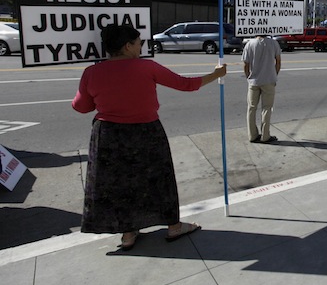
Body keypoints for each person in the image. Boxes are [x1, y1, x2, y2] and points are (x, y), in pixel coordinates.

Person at [72, 24, 227, 251]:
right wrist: (216, 74)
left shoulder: (92, 72)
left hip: (108, 136)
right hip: (146, 132)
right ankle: (173, 226)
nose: (141, 46)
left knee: (120, 184)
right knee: (159, 181)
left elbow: (81, 106)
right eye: (139, 43)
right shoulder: (146, 67)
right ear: (127, 46)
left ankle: (128, 233)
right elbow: (186, 85)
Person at [242, 34, 282, 143]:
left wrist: (248, 77)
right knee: (267, 108)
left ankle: (252, 135)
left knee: (251, 108)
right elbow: (278, 62)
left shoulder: (250, 44)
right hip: (269, 80)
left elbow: (246, 64)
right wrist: (274, 75)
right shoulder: (273, 43)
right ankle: (265, 135)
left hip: (254, 81)